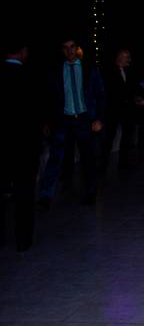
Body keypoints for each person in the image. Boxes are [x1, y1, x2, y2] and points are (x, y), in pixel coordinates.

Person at [39, 36, 106, 209]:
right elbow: (48, 98)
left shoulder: (89, 69)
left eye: (72, 46)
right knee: (55, 158)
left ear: (77, 48)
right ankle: (45, 196)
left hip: (84, 119)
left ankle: (91, 192)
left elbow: (100, 94)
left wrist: (98, 118)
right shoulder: (55, 71)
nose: (69, 50)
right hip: (63, 119)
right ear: (62, 50)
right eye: (65, 47)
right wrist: (47, 121)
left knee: (88, 158)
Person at [0, 37, 41, 250]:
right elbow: (38, 113)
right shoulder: (31, 77)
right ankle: (23, 241)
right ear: (24, 52)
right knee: (24, 193)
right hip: (25, 146)